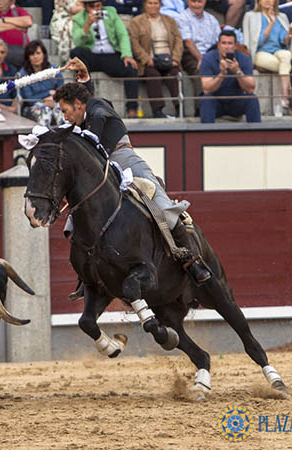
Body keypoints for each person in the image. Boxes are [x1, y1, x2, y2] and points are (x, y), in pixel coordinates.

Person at [54, 57, 212, 298]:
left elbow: (94, 122)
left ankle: (192, 261)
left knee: (163, 207)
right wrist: (84, 78)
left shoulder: (97, 108)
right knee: (78, 217)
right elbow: (86, 104)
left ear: (77, 105)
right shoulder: (86, 111)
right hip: (103, 167)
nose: (65, 117)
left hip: (125, 159)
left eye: (65, 111)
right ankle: (87, 275)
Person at [70, 0, 140, 118]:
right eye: (92, 6)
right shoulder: (79, 18)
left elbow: (122, 34)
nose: (96, 9)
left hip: (110, 55)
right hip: (92, 55)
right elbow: (78, 42)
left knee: (130, 67)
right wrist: (87, 25)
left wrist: (127, 55)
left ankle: (132, 108)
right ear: (86, 7)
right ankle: (88, 96)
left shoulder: (111, 13)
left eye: (98, 5)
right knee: (76, 53)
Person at [128, 0, 183, 118]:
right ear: (145, 5)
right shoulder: (136, 22)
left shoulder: (170, 20)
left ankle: (179, 107)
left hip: (169, 59)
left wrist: (176, 59)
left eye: (156, 3)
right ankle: (157, 110)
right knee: (153, 75)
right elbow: (134, 44)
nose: (153, 6)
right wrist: (147, 60)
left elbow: (179, 40)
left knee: (174, 74)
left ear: (160, 5)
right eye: (150, 3)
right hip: (150, 61)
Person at [199, 29, 261, 123]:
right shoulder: (208, 58)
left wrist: (237, 71)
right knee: (206, 99)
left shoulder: (244, 58)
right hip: (216, 102)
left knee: (252, 98)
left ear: (235, 46)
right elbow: (207, 89)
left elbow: (250, 89)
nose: (227, 47)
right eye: (223, 43)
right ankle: (207, 132)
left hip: (235, 102)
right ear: (218, 45)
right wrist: (222, 74)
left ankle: (257, 131)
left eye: (230, 43)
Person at [243, 0, 292, 113]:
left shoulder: (282, 16)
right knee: (285, 65)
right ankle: (288, 94)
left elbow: (284, 43)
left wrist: (289, 32)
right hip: (260, 52)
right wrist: (271, 23)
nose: (267, 1)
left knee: (287, 55)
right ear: (258, 1)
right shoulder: (250, 16)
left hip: (277, 51)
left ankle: (285, 94)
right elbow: (257, 41)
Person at [176, 0, 221, 115]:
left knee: (225, 68)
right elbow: (188, 42)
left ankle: (223, 107)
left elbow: (218, 42)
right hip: (190, 54)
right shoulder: (182, 18)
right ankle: (201, 109)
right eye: (193, 1)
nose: (197, 4)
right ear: (188, 2)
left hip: (211, 53)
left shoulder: (212, 19)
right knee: (201, 70)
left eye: (200, 1)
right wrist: (202, 59)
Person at [18, 40, 64, 125]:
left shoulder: (55, 71)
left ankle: (66, 132)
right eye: (32, 54)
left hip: (54, 102)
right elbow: (29, 100)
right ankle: (44, 134)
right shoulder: (23, 74)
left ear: (44, 55)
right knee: (45, 110)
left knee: (62, 109)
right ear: (28, 57)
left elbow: (61, 94)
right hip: (31, 107)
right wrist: (48, 93)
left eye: (38, 53)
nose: (35, 57)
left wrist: (52, 100)